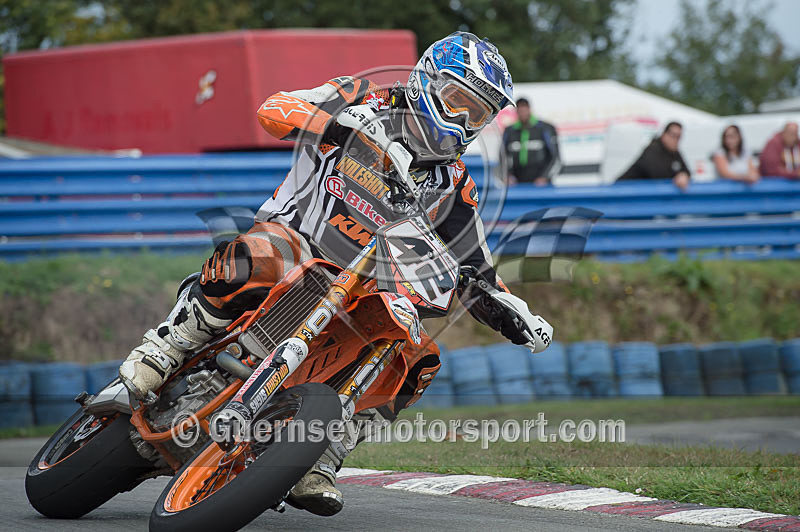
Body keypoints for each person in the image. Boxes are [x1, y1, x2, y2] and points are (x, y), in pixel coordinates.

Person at [118, 32, 552, 516]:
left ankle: (321, 451)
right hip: (297, 243)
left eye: (479, 114)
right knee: (258, 254)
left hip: (363, 285)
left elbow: (475, 263)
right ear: (428, 82)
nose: (465, 122)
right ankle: (164, 348)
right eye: (458, 102)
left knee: (418, 357)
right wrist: (339, 125)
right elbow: (274, 109)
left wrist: (512, 310)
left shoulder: (455, 185)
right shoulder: (362, 97)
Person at [501, 97, 561, 185]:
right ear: (516, 112)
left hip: (542, 184)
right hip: (517, 183)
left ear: (529, 109)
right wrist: (508, 176)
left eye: (524, 109)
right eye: (520, 110)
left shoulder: (545, 128)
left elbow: (556, 157)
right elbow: (502, 156)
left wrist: (544, 177)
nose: (522, 113)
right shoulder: (509, 131)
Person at [618, 121, 691, 190]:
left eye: (679, 137)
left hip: (641, 193)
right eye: (673, 135)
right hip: (622, 191)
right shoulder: (652, 149)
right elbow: (657, 175)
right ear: (664, 134)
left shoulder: (674, 152)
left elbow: (686, 171)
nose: (676, 140)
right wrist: (677, 177)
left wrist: (683, 174)